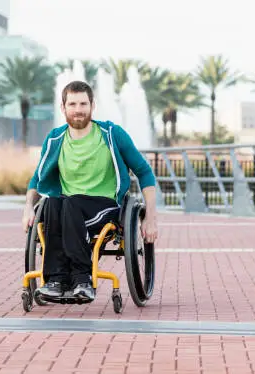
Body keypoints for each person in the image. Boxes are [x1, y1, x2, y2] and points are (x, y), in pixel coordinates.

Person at [22, 80, 158, 302]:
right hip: (67, 207)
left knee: (69, 203)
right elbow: (37, 179)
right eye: (72, 104)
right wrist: (28, 208)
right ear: (63, 107)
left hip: (103, 206)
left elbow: (144, 172)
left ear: (92, 106)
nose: (78, 110)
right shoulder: (55, 139)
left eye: (83, 104)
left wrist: (151, 217)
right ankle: (55, 281)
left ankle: (82, 279)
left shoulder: (112, 134)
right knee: (54, 203)